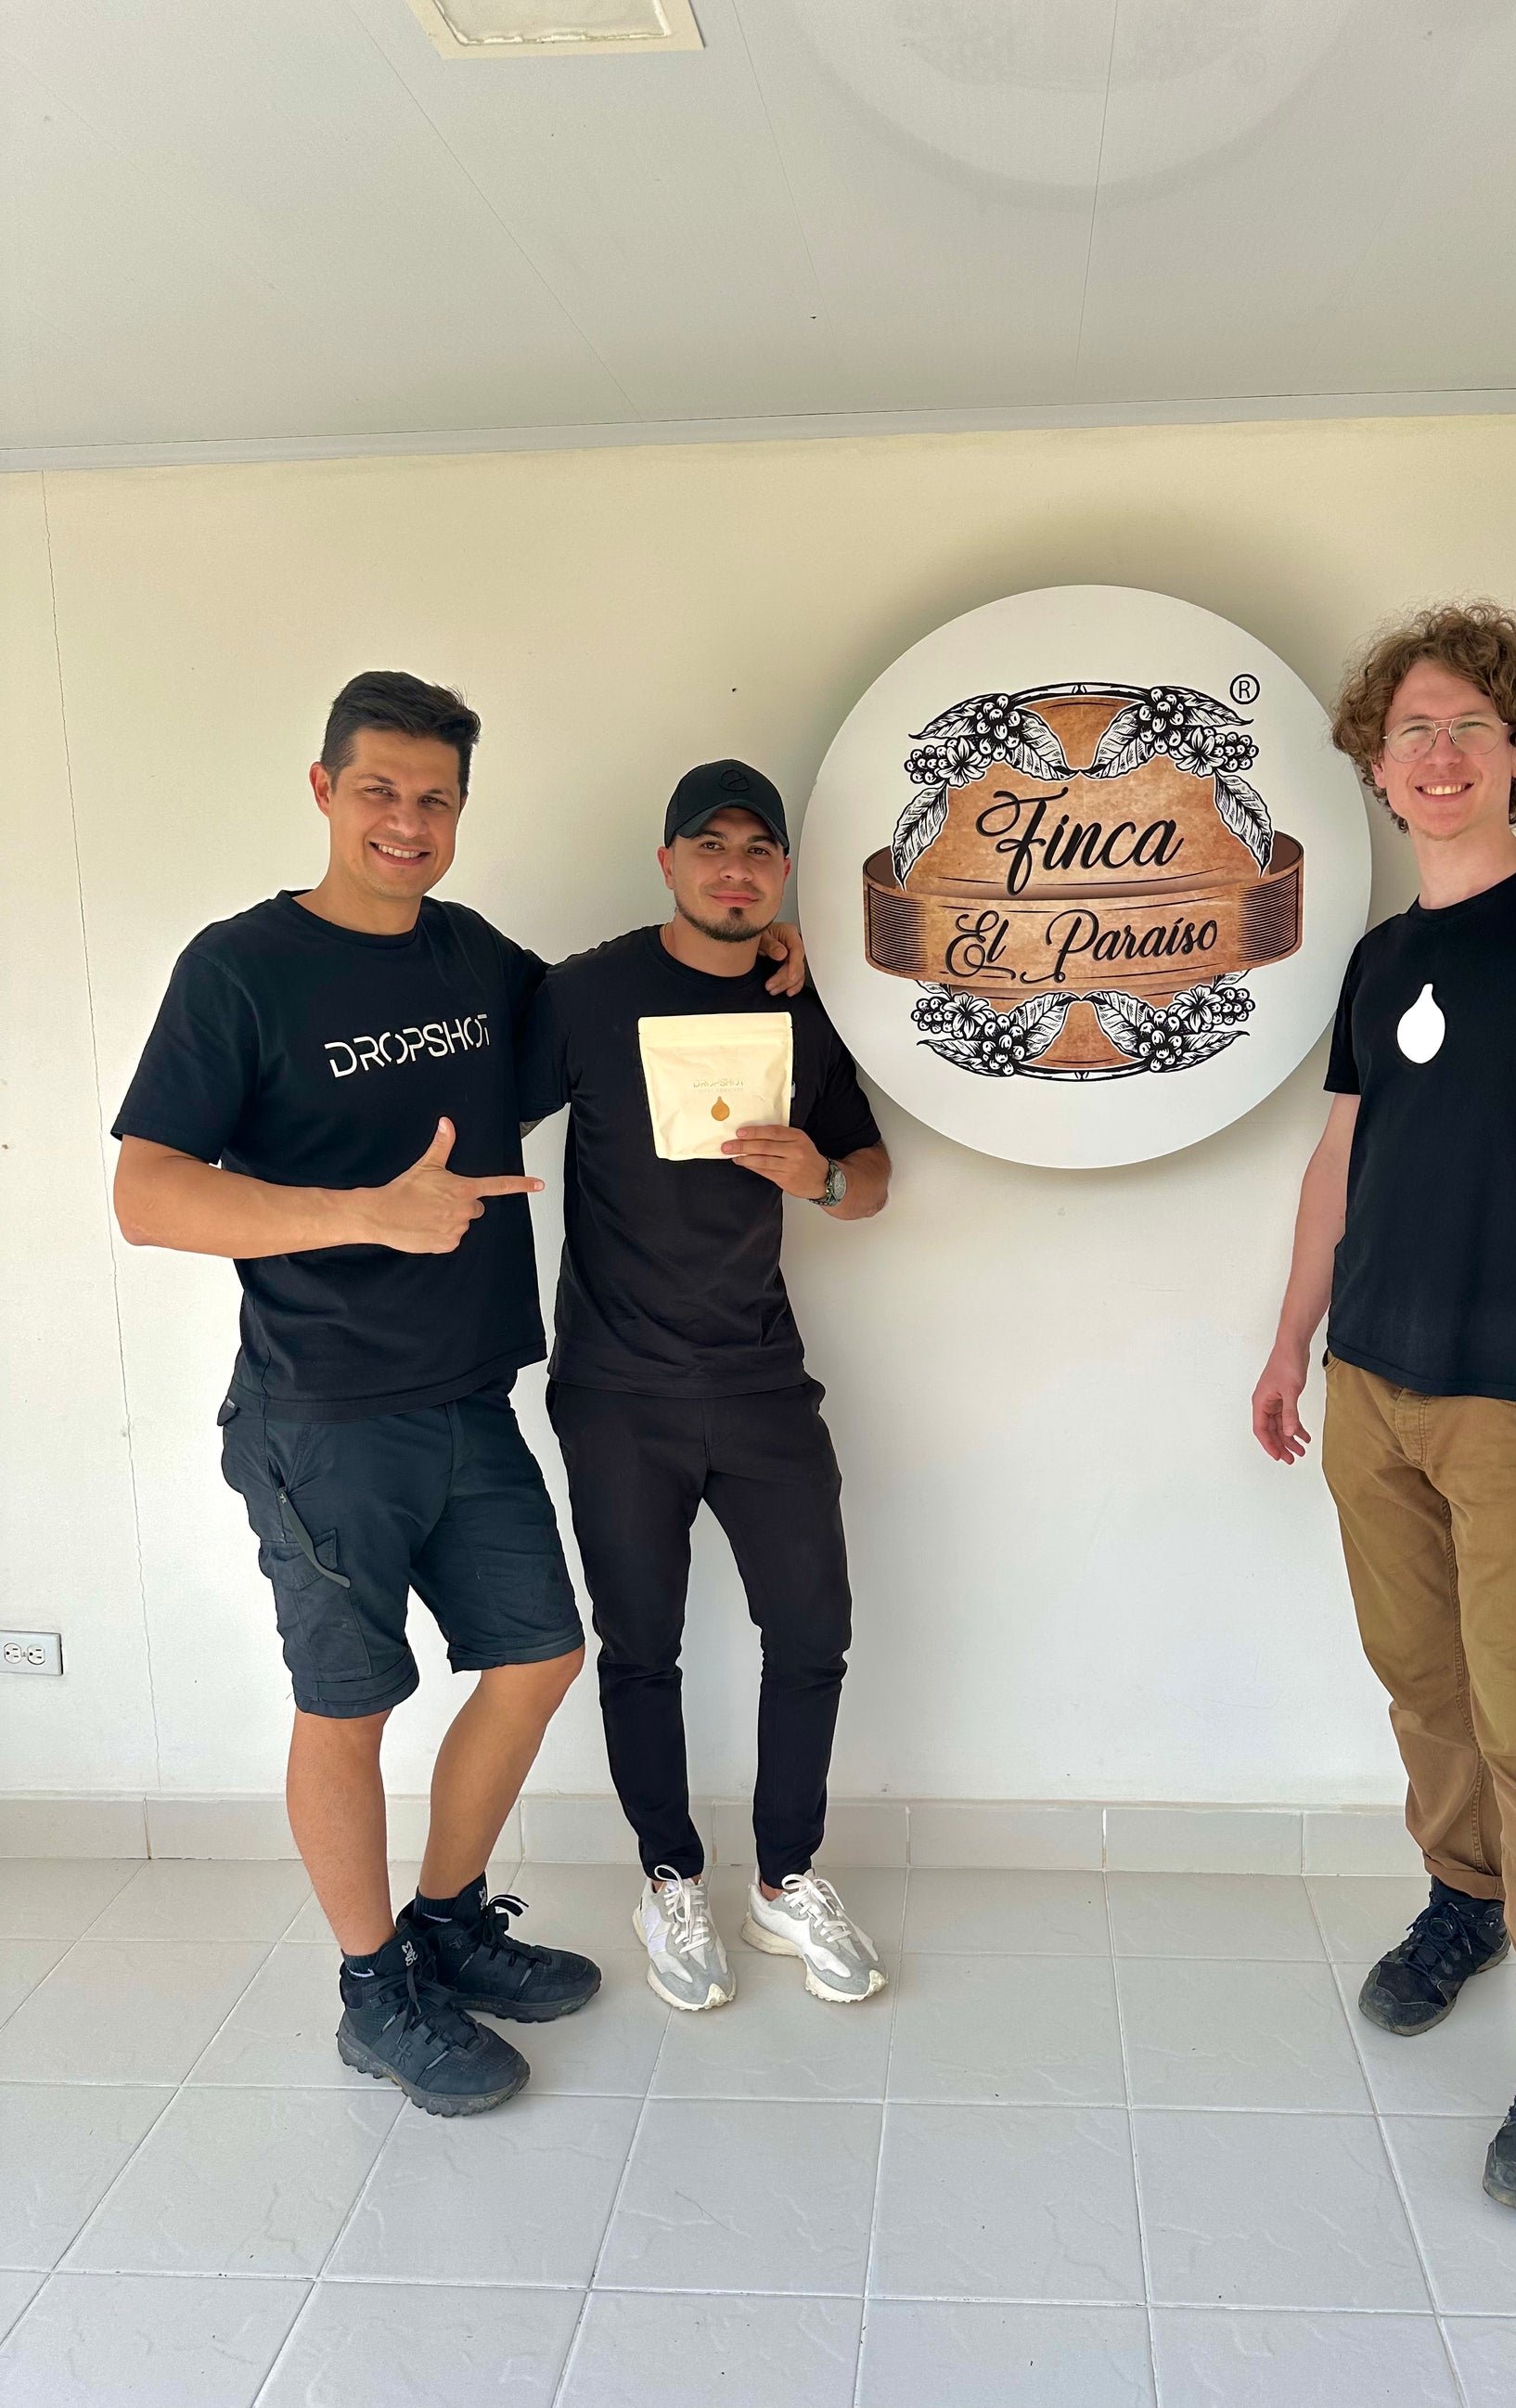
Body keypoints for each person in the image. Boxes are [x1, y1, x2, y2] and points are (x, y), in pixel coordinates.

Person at [110, 674, 806, 2114]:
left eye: (434, 798)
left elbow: (612, 1011)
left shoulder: (475, 958)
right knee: (349, 1704)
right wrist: (363, 1212)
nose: (407, 821)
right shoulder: (241, 968)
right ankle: (374, 1993)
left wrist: (745, 947)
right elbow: (148, 1195)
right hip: (320, 1413)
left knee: (539, 1656)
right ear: (323, 790)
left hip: (470, 1396)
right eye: (379, 790)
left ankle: (443, 1924)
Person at [1252, 604, 1516, 2214]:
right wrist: (1289, 1344)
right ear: (1377, 769)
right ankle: (1466, 1895)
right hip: (1368, 1384)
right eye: (1410, 734)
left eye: (1467, 728)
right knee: (1419, 1684)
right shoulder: (1380, 960)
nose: (1437, 756)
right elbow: (1337, 1163)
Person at [519, 759, 892, 2014]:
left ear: (781, 871)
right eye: (710, 847)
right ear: (668, 862)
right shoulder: (582, 996)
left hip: (760, 1379)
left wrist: (817, 1177)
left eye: (757, 851)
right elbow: (483, 1111)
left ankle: (785, 1882)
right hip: (616, 1387)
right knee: (642, 1648)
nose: (734, 871)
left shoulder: (801, 1003)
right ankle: (669, 1878)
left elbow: (871, 1178)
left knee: (813, 1632)